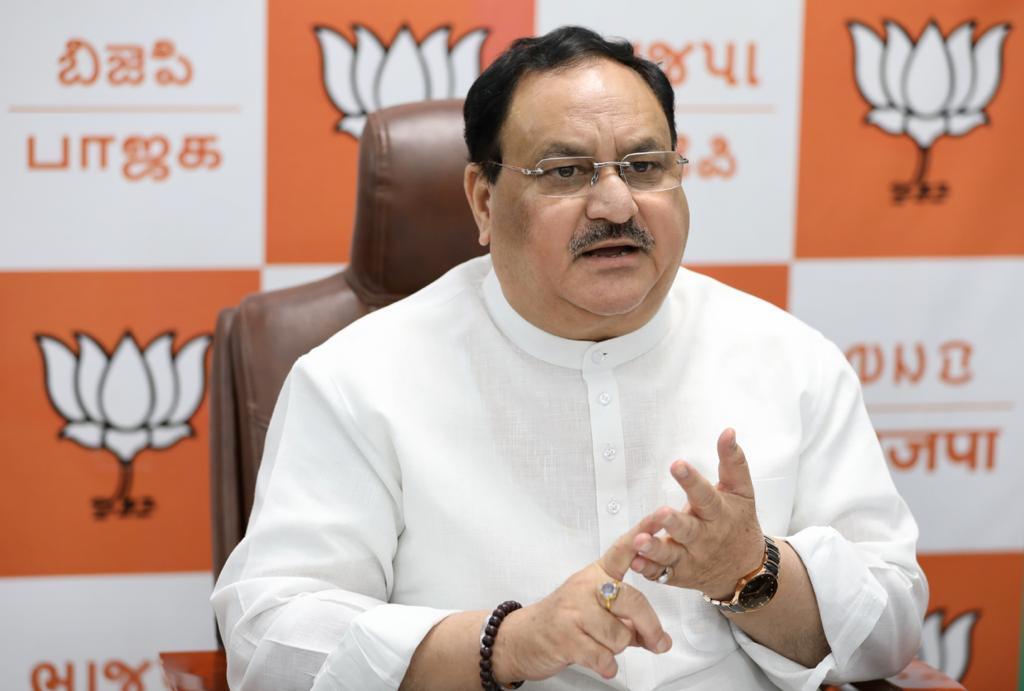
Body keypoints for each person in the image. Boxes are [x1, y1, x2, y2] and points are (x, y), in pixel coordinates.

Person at [211, 26, 927, 690]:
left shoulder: (790, 359)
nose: (615, 202)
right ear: (484, 201)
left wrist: (753, 570)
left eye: (645, 165)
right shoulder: (356, 379)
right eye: (565, 171)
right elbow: (269, 637)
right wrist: (507, 641)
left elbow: (891, 625)